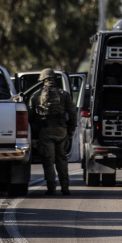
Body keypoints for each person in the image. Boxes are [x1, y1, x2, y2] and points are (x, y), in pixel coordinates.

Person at [29, 68, 77, 196]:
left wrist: (34, 129)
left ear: (43, 80)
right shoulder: (64, 94)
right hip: (62, 131)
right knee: (61, 158)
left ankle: (51, 188)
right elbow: (73, 112)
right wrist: (72, 129)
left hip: (46, 132)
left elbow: (30, 115)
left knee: (48, 160)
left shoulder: (36, 95)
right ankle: (65, 186)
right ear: (54, 79)